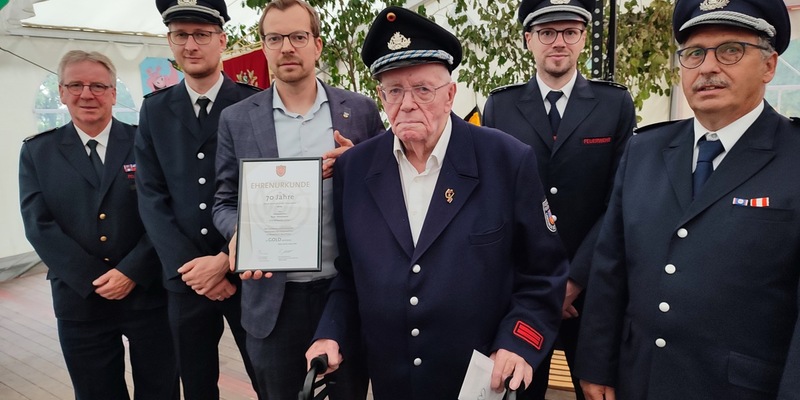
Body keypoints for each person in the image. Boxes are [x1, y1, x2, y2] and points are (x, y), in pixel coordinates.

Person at [305, 6, 569, 399]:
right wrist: (329, 334)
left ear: (450, 95)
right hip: (395, 384)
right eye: (394, 90)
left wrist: (519, 342)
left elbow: (543, 275)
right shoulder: (356, 169)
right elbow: (349, 277)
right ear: (381, 96)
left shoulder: (507, 161)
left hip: (483, 383)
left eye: (422, 90)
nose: (407, 103)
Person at [574, 1, 800, 399]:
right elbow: (611, 267)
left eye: (730, 50)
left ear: (769, 66)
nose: (708, 67)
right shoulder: (645, 149)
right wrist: (595, 364)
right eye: (694, 53)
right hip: (637, 380)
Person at [212, 0, 384, 398]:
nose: (287, 47)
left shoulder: (358, 111)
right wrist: (243, 234)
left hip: (345, 292)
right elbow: (223, 200)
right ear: (264, 46)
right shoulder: (237, 119)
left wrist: (356, 165)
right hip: (273, 301)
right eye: (275, 38)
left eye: (297, 36)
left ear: (317, 45)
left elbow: (388, 191)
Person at [483, 0, 636, 398]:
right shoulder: (501, 106)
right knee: (519, 391)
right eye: (548, 33)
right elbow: (494, 201)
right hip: (525, 293)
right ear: (528, 40)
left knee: (595, 390)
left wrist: (573, 281)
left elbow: (618, 201)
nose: (559, 43)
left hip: (590, 294)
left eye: (570, 32)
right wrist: (544, 285)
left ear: (583, 38)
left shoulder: (614, 104)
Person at [19, 50, 178, 400]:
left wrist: (131, 272)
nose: (86, 94)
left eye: (97, 85)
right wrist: (94, 279)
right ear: (61, 92)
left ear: (113, 93)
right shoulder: (38, 152)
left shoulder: (145, 143)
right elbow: (39, 225)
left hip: (147, 291)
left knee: (161, 388)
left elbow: (165, 212)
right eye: (75, 85)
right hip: (80, 299)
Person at [135, 1, 261, 398]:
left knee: (269, 377)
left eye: (202, 34)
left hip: (249, 272)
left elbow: (270, 192)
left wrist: (226, 261)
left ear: (222, 40)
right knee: (196, 383)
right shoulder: (154, 110)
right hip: (185, 279)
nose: (191, 44)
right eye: (180, 35)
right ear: (170, 42)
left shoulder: (254, 105)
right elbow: (151, 196)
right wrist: (192, 270)